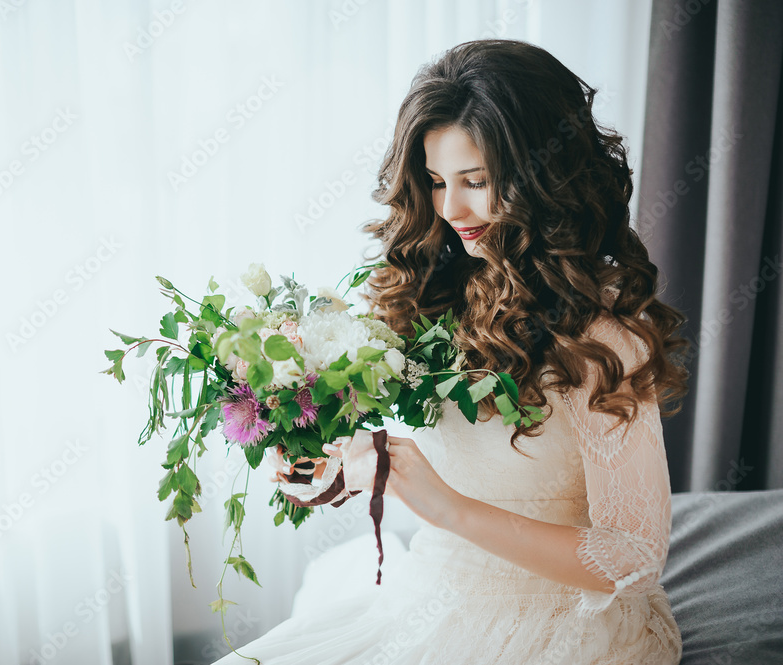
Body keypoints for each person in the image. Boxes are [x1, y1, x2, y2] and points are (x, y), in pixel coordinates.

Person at [214, 38, 689, 665]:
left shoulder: (601, 335)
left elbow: (634, 557)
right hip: (432, 593)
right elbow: (417, 459)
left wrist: (448, 509)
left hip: (569, 620)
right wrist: (332, 472)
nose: (452, 209)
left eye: (477, 181)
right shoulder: (435, 291)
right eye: (437, 182)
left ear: (545, 179)